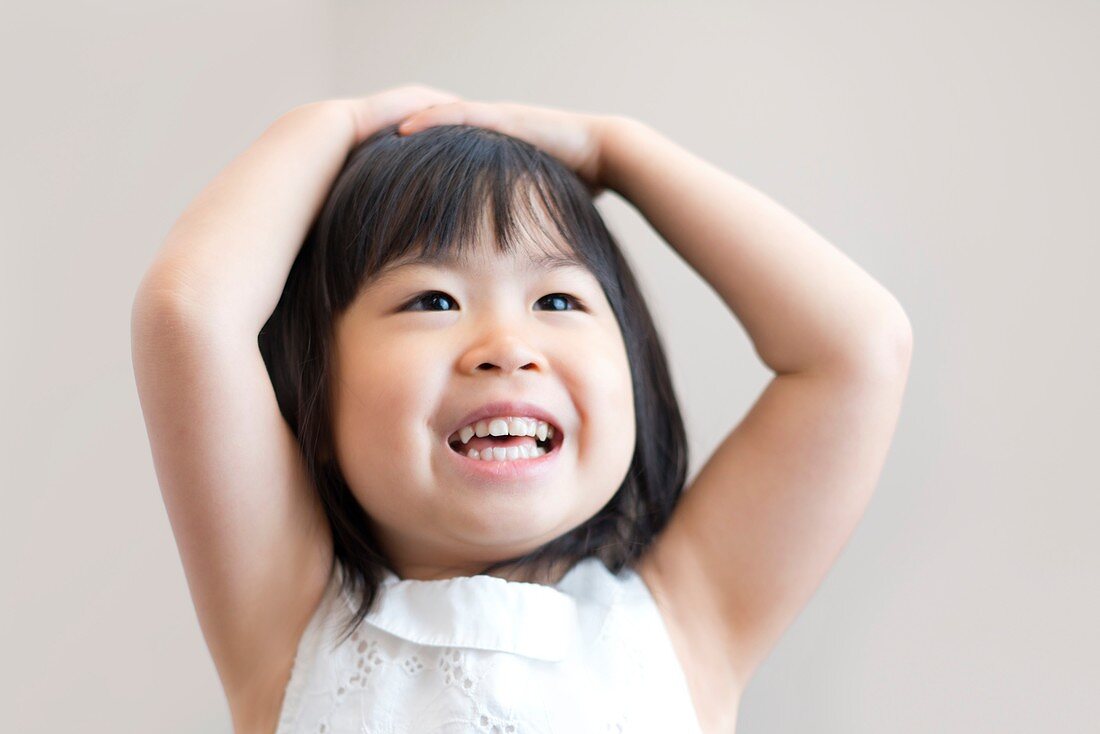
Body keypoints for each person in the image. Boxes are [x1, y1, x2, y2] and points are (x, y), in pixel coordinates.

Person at [131, 85, 913, 734]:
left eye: (558, 298)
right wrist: (333, 124)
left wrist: (618, 151)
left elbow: (859, 348)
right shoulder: (289, 627)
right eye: (433, 299)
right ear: (313, 397)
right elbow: (188, 313)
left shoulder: (683, 626)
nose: (508, 345)